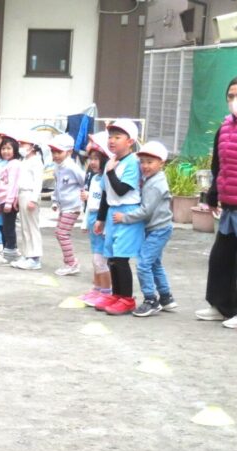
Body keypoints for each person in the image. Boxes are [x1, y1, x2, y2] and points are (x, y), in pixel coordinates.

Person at [196, 74, 237, 328]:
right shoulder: (225, 127)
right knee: (221, 258)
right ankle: (220, 306)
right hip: (229, 206)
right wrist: (214, 194)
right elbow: (218, 165)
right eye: (231, 96)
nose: (235, 100)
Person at [112, 140, 175, 317]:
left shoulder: (156, 184)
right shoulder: (151, 179)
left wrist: (125, 218)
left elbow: (146, 210)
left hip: (158, 229)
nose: (145, 166)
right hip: (157, 228)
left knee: (143, 264)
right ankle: (166, 297)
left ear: (161, 163)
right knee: (154, 263)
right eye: (142, 162)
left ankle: (150, 300)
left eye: (150, 162)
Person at [93, 119, 145, 316]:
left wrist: (110, 172)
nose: (112, 140)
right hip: (112, 213)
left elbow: (122, 189)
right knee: (112, 258)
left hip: (127, 212)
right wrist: (100, 219)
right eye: (110, 137)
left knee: (122, 258)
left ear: (130, 141)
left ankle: (127, 299)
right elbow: (106, 193)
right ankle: (116, 295)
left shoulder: (132, 162)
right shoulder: (111, 162)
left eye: (117, 137)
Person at [78, 135, 115, 308]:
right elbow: (90, 204)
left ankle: (106, 291)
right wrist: (85, 222)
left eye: (96, 159)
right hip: (93, 219)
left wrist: (105, 225)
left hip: (103, 222)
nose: (92, 162)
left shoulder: (107, 178)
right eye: (91, 159)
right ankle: (97, 289)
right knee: (95, 258)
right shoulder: (94, 178)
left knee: (101, 260)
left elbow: (106, 204)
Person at [48, 133, 86, 276]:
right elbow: (57, 186)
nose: (55, 155)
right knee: (60, 233)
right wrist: (55, 201)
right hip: (64, 206)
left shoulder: (72, 167)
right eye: (53, 152)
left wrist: (83, 195)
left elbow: (84, 181)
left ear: (69, 152)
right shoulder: (57, 167)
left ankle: (71, 263)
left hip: (73, 206)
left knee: (62, 233)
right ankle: (70, 262)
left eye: (59, 152)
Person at [11, 132, 45, 271]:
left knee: (32, 227)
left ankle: (35, 257)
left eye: (23, 144)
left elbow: (38, 182)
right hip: (22, 194)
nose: (21, 146)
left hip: (30, 194)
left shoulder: (36, 161)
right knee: (25, 227)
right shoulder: (25, 160)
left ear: (32, 146)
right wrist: (16, 197)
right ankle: (27, 254)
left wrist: (33, 199)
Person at [0, 135, 22, 265]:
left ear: (15, 149)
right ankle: (8, 251)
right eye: (3, 148)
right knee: (4, 227)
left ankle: (10, 253)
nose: (5, 151)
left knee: (8, 228)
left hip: (8, 202)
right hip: (3, 201)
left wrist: (9, 202)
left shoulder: (15, 164)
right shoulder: (8, 164)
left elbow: (13, 185)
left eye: (9, 148)